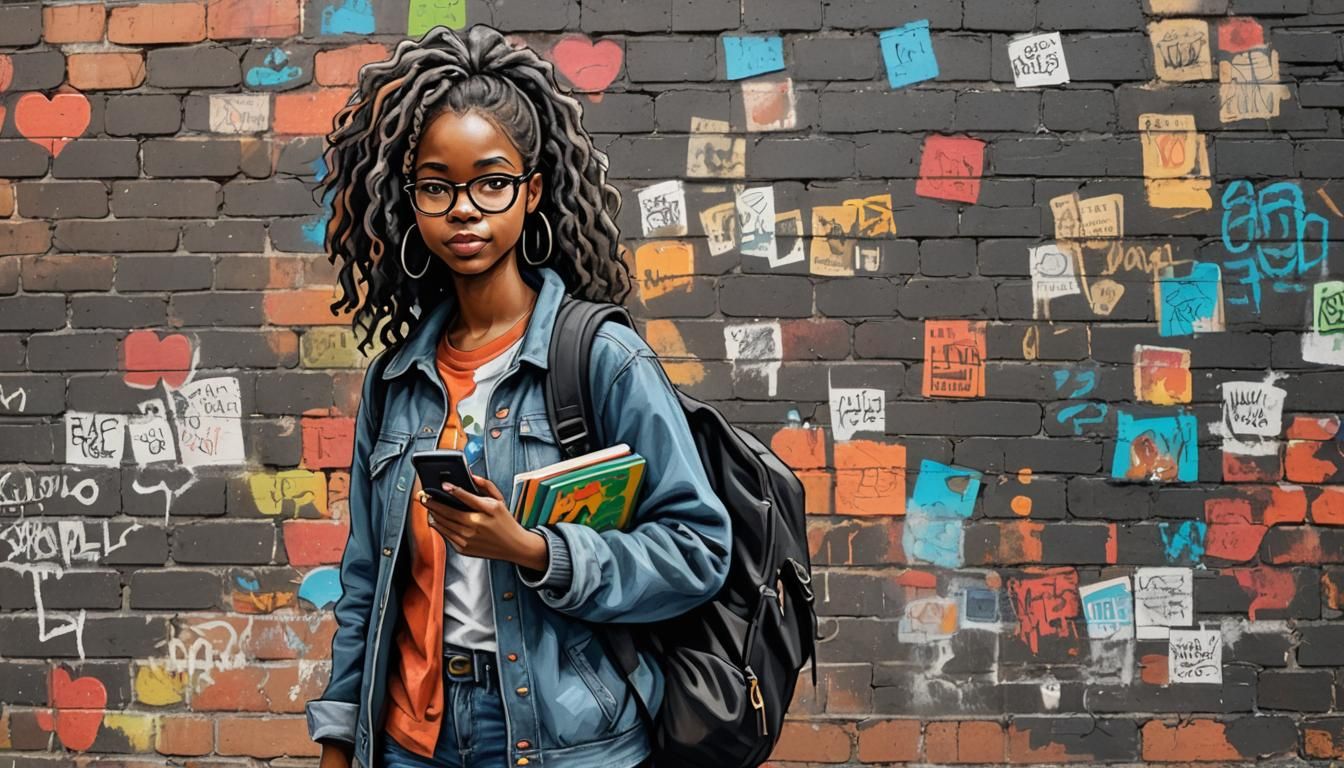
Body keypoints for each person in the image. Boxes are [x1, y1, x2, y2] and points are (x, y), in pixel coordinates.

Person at [305, 23, 732, 768]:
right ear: (411, 201)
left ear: (531, 192)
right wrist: (342, 738)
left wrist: (534, 550)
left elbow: (698, 550)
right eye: (437, 186)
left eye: (491, 182)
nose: (464, 208)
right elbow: (368, 579)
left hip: (563, 738)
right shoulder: (397, 380)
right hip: (413, 739)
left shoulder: (600, 358)